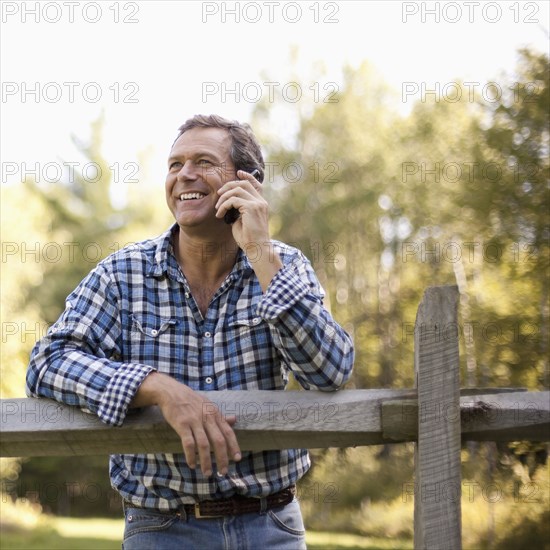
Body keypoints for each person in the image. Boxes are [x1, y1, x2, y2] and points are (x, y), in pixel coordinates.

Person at [26, 114, 354, 549]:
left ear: (247, 183)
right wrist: (156, 387)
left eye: (203, 162)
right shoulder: (123, 274)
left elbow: (329, 372)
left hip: (271, 526)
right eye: (175, 164)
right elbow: (47, 365)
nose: (185, 176)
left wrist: (260, 252)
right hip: (161, 529)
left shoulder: (284, 267)